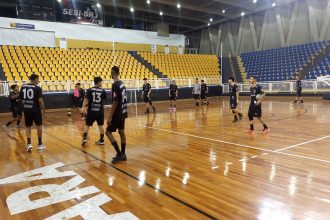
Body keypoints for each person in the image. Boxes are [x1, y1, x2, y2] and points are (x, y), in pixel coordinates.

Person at [106, 66, 128, 164]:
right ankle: (123, 154)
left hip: (117, 112)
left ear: (112, 73)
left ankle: (119, 154)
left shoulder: (115, 84)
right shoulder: (122, 83)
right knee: (121, 131)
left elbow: (115, 102)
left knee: (108, 132)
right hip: (123, 111)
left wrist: (110, 116)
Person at [20, 74, 46, 152]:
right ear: (35, 79)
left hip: (26, 109)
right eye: (38, 79)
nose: (38, 80)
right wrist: (44, 110)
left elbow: (21, 99)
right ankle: (40, 144)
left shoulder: (23, 86)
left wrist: (23, 108)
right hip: (35, 110)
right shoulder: (38, 88)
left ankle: (29, 144)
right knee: (39, 126)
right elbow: (40, 101)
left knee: (28, 126)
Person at [82, 77, 107, 145]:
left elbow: (86, 99)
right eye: (101, 82)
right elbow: (104, 99)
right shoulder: (103, 91)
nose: (102, 83)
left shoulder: (89, 90)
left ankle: (84, 139)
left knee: (87, 125)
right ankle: (101, 140)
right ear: (98, 82)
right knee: (101, 125)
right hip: (100, 111)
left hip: (91, 111)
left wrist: (83, 107)